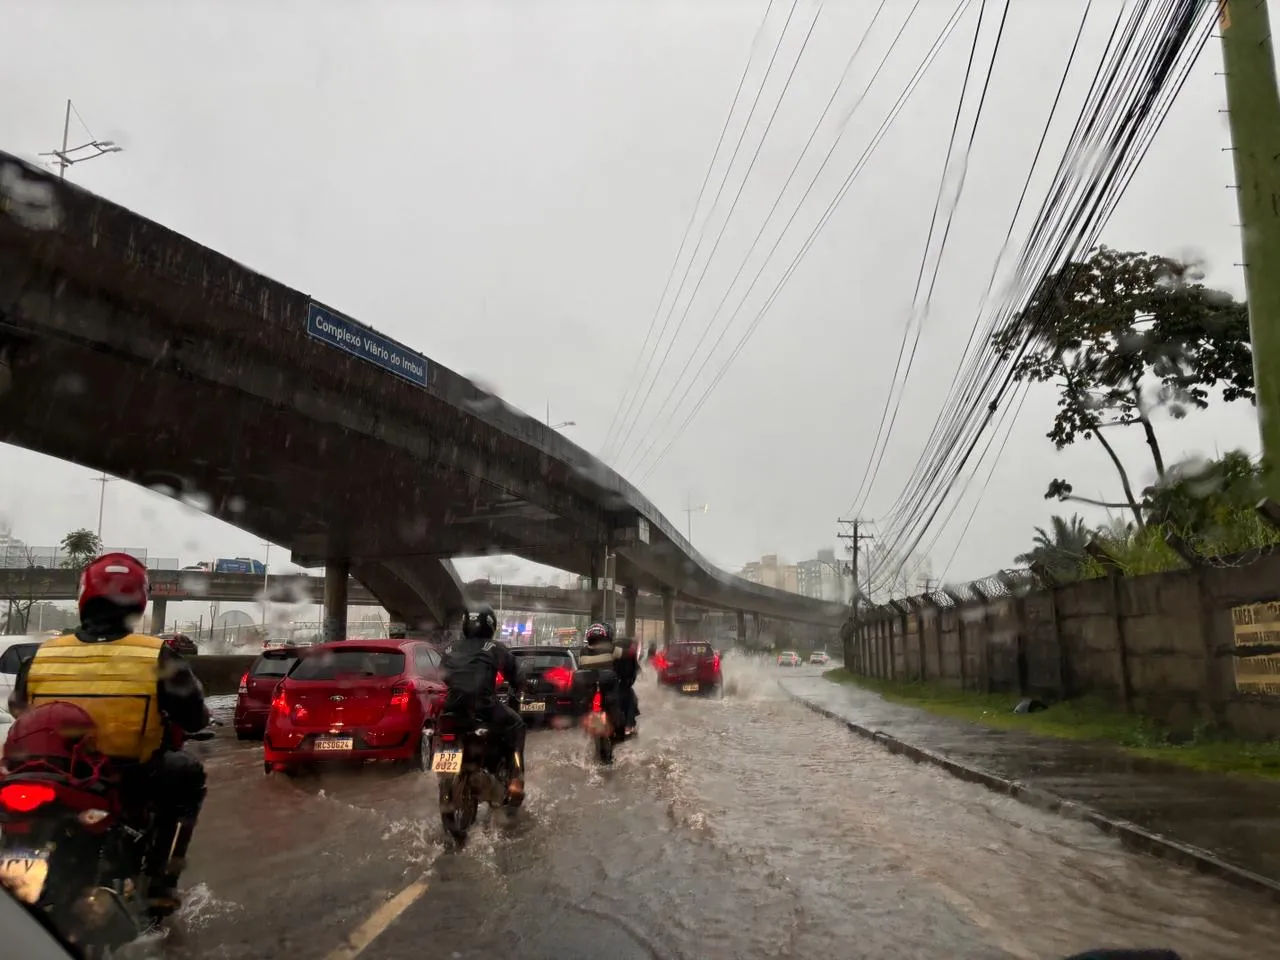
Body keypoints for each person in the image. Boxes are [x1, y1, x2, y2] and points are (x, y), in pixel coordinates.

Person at [6, 553, 211, 917]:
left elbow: (17, 709)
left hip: (44, 775)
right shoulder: (157, 656)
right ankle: (159, 887)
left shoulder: (41, 656)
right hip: (126, 780)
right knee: (188, 776)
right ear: (139, 601)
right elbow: (195, 719)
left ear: (84, 597)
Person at [440, 603, 526, 800]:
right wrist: (518, 687)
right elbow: (516, 675)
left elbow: (443, 675)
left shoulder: (450, 648)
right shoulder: (494, 647)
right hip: (484, 707)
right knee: (518, 725)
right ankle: (515, 781)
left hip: (452, 708)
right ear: (490, 625)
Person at [613, 635, 640, 734]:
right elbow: (634, 672)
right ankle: (629, 725)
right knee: (631, 700)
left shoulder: (613, 651)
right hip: (622, 684)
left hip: (610, 685)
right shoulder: (630, 655)